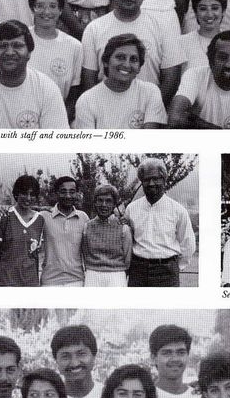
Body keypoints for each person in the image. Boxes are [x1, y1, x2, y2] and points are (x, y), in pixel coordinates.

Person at [79, 0, 186, 103]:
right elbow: (89, 80)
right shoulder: (94, 29)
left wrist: (151, 110)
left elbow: (171, 79)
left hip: (148, 110)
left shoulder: (163, 27)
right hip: (105, 109)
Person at [0, 20, 70, 129]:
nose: (10, 52)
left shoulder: (47, 88)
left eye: (17, 45)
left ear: (29, 52)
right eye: (2, 46)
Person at [167, 31, 230, 129]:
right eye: (222, 58)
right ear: (211, 60)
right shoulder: (195, 75)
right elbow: (175, 118)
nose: (229, 64)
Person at [124, 158, 196, 287]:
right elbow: (127, 240)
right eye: (146, 179)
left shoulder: (178, 210)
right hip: (138, 272)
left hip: (167, 273)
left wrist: (175, 267)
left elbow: (188, 243)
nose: (151, 183)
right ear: (142, 182)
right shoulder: (131, 209)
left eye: (156, 178)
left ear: (164, 179)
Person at [73, 33, 168, 130]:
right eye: (120, 57)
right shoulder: (87, 100)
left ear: (139, 67)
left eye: (133, 59)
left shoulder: (150, 92)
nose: (127, 65)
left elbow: (149, 139)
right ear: (106, 62)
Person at [26, 0, 84, 121]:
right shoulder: (21, 39)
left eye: (52, 6)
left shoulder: (74, 46)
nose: (46, 12)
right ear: (32, 8)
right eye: (39, 6)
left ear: (60, 9)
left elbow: (73, 94)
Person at [0, 175, 45, 288]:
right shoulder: (4, 216)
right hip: (6, 282)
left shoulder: (40, 220)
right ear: (16, 194)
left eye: (32, 194)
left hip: (30, 283)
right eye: (24, 193)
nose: (28, 198)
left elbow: (34, 255)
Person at [50, 324, 102, 398]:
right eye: (65, 356)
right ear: (56, 361)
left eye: (81, 354)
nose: (74, 363)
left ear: (94, 356)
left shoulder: (108, 396)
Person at [39, 175, 89, 287]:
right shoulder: (44, 217)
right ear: (56, 193)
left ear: (77, 194)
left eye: (72, 192)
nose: (68, 196)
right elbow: (25, 214)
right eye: (63, 191)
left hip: (77, 281)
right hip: (50, 281)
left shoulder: (83, 217)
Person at [80, 184, 133, 287]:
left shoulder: (123, 228)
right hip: (92, 275)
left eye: (108, 201)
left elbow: (127, 258)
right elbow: (85, 253)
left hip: (117, 275)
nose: (103, 205)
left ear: (114, 204)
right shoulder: (87, 226)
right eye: (100, 200)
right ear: (95, 203)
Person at [178, 0, 228, 73]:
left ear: (223, 11)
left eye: (215, 8)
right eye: (203, 8)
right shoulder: (182, 43)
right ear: (195, 12)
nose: (209, 14)